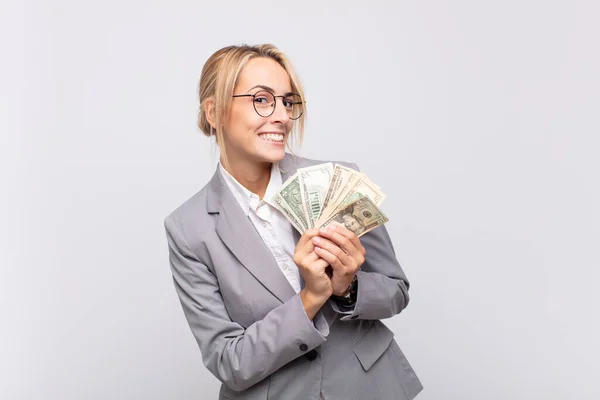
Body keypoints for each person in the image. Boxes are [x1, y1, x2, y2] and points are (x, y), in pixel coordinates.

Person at [164, 44, 423, 400]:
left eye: (287, 102)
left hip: (371, 388)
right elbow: (228, 361)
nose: (282, 116)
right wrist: (310, 298)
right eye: (262, 99)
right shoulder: (189, 228)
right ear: (214, 112)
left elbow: (397, 290)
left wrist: (348, 289)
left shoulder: (338, 180)